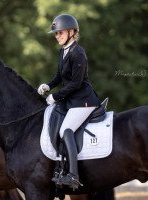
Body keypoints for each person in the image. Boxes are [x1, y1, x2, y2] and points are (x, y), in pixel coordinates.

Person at [37, 14, 101, 190]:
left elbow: (76, 83)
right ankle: (61, 169)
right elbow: (59, 76)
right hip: (71, 99)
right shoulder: (63, 51)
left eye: (60, 33)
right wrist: (48, 86)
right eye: (56, 34)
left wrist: (55, 97)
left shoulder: (78, 52)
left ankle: (73, 175)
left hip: (84, 100)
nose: (57, 36)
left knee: (66, 130)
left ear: (72, 32)